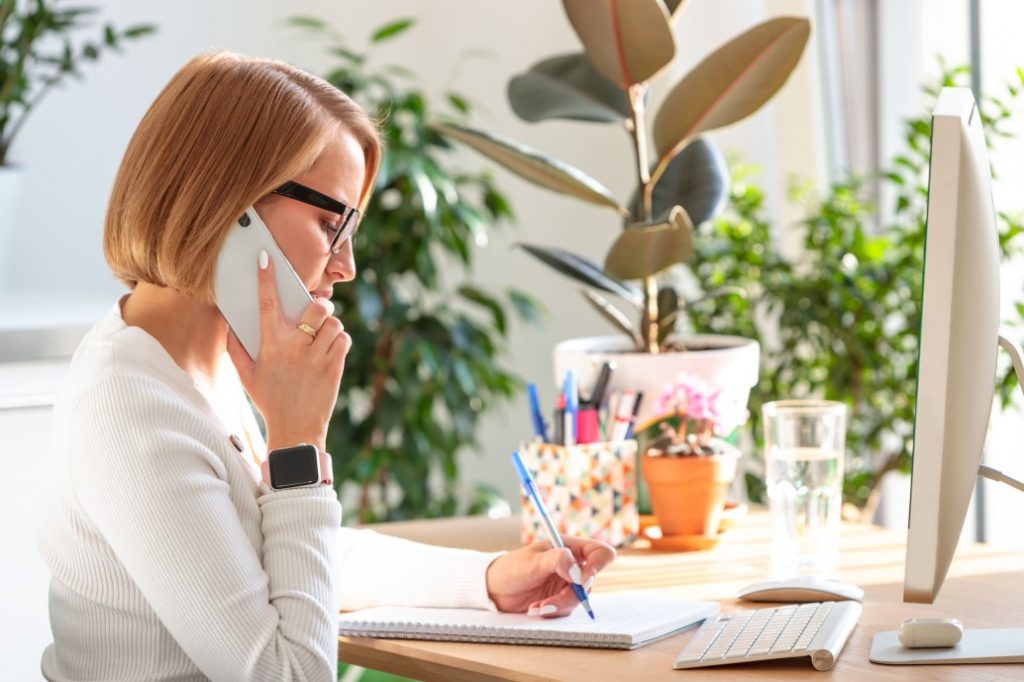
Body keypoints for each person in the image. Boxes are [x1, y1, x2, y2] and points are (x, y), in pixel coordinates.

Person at [35, 51, 615, 681]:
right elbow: (288, 673)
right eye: (329, 224)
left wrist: (487, 579)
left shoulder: (207, 364)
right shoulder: (133, 404)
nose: (346, 267)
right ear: (232, 203)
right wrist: (298, 444)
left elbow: (275, 560)